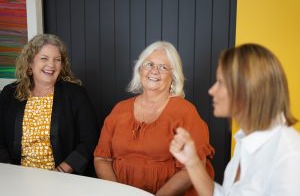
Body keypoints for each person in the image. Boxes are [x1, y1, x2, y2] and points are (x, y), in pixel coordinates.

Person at [170, 43, 300, 196]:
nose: (211, 90)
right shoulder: (245, 139)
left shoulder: (290, 156)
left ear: (248, 88)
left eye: (220, 82)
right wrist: (191, 161)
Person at [94, 41, 214, 195]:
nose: (154, 71)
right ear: (140, 70)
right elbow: (102, 159)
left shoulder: (186, 112)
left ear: (174, 76)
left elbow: (193, 167)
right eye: (149, 64)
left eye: (163, 67)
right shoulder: (119, 109)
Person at [0, 34, 98, 175]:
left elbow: (89, 141)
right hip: (17, 176)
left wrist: (59, 172)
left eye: (57, 60)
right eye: (44, 58)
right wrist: (12, 172)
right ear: (30, 64)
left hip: (61, 178)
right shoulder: (9, 94)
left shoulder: (75, 94)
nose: (51, 65)